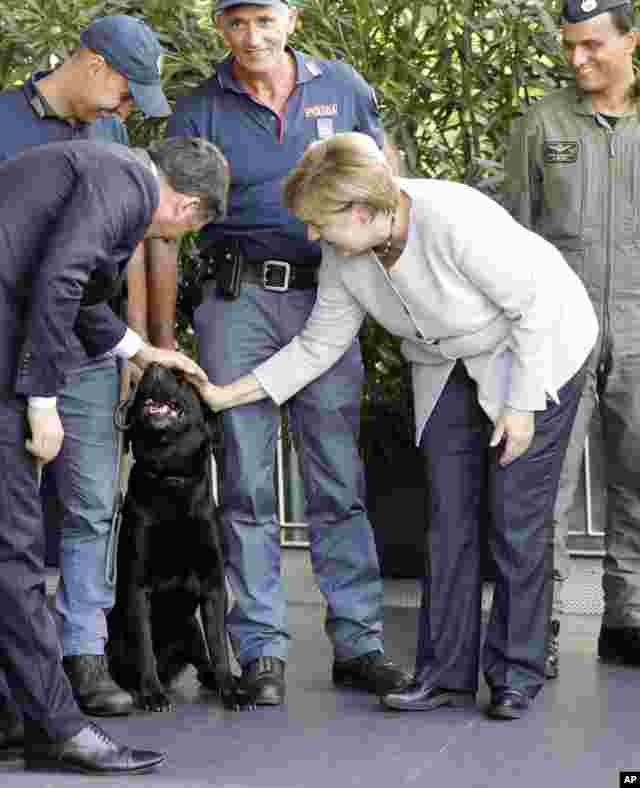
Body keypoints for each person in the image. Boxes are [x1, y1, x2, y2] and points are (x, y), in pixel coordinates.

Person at [194, 132, 596, 719]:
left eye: (318, 222)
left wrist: (522, 406)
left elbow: (534, 308)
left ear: (360, 210)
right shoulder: (346, 253)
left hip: (537, 350)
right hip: (445, 361)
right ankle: (444, 674)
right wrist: (231, 392)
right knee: (448, 516)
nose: (311, 236)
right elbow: (318, 344)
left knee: (516, 516)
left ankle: (516, 674)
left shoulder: (455, 218)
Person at [0, 136, 229, 774]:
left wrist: (136, 350)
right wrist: (43, 400)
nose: (170, 238)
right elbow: (62, 279)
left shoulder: (99, 168)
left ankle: (3, 716)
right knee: (11, 535)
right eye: (185, 229)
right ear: (188, 205)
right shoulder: (128, 184)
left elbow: (68, 284)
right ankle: (56, 727)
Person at [146, 0, 409, 705]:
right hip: (238, 302)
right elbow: (165, 229)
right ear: (220, 29)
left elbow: (388, 184)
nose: (251, 37)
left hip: (332, 294)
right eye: (236, 23)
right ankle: (260, 650)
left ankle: (360, 643)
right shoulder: (200, 108)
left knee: (338, 476)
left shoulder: (344, 88)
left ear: (291, 18)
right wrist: (164, 343)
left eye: (264, 19)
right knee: (246, 483)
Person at [0, 14, 176, 719]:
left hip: (86, 348)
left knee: (92, 501)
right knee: (8, 519)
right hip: (1, 355)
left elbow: (117, 254)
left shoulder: (112, 135)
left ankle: (83, 652)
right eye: (127, 93)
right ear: (93, 65)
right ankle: (12, 672)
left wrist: (131, 344)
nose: (128, 111)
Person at [504, 0, 640, 674]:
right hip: (561, 331)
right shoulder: (543, 123)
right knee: (544, 486)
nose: (577, 59)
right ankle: (540, 626)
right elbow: (512, 237)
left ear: (630, 40)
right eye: (568, 47)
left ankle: (630, 619)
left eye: (591, 45)